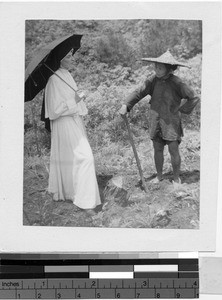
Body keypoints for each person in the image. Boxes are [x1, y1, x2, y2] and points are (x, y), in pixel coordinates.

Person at [119, 50, 200, 187]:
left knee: (173, 149)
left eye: (160, 68)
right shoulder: (152, 80)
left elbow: (193, 97)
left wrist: (181, 110)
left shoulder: (177, 82)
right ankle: (159, 176)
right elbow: (139, 92)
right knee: (157, 149)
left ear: (169, 69)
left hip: (171, 121)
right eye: (155, 66)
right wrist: (126, 105)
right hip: (155, 119)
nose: (156, 69)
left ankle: (176, 179)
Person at [44, 49, 101, 212]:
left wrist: (78, 98)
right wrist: (74, 100)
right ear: (60, 60)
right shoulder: (53, 80)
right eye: (68, 57)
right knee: (85, 157)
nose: (73, 59)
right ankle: (86, 201)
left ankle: (74, 193)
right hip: (64, 124)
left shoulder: (67, 75)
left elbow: (72, 102)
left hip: (74, 121)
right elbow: (54, 111)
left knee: (73, 159)